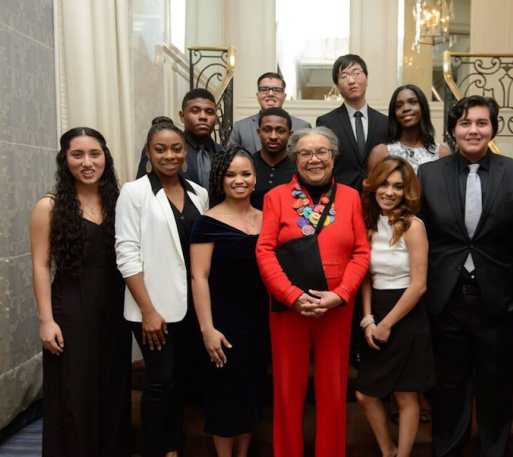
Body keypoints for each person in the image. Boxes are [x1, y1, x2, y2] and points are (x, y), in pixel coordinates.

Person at [418, 95, 513, 457]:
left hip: (499, 302)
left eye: (481, 123)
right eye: (465, 123)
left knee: (496, 389)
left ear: (493, 128)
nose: (473, 130)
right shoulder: (429, 173)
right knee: (449, 388)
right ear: (454, 130)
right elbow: (421, 236)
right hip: (446, 300)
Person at [256, 127, 370, 457]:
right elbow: (264, 251)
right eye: (305, 153)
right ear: (294, 159)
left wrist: (343, 292)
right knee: (288, 391)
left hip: (337, 306)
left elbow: (362, 252)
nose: (314, 159)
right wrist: (290, 295)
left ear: (334, 157)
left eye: (322, 152)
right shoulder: (275, 197)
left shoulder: (351, 196)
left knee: (333, 392)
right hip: (288, 307)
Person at [30, 127, 130, 456]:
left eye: (94, 154)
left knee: (112, 391)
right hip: (71, 309)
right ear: (65, 160)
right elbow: (41, 265)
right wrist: (46, 320)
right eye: (78, 155)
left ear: (105, 158)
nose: (87, 162)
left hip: (115, 308)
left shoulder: (120, 202)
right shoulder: (50, 206)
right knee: (75, 395)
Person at [116, 122, 209, 457]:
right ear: (148, 152)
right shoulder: (133, 192)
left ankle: (173, 447)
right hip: (152, 308)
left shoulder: (199, 193)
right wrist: (148, 311)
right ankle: (156, 449)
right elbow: (126, 255)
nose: (169, 156)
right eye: (160, 149)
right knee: (159, 381)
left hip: (190, 306)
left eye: (176, 149)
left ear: (185, 152)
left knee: (182, 381)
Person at [190, 147, 268, 457]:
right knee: (225, 398)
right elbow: (198, 277)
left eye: (245, 174)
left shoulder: (267, 218)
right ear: (220, 180)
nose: (239, 180)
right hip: (223, 324)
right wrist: (207, 329)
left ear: (255, 178)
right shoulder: (207, 222)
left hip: (260, 324)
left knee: (251, 395)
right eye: (231, 175)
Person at [356, 157, 435, 457]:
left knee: (405, 395)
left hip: (406, 311)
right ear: (373, 185)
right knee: (365, 395)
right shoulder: (366, 223)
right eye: (384, 184)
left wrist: (387, 324)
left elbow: (419, 285)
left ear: (407, 191)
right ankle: (387, 451)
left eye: (398, 186)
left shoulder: (414, 226)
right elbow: (366, 277)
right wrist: (368, 319)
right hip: (376, 307)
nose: (389, 192)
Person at [317, 54, 388, 192]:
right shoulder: (326, 122)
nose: (351, 80)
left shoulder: (385, 122)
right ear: (338, 86)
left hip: (377, 198)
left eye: (356, 73)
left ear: (367, 78)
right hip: (339, 197)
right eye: (344, 76)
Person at [135, 89, 224, 188]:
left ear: (215, 118)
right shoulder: (160, 150)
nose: (203, 116)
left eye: (209, 112)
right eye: (195, 111)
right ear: (182, 116)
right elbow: (141, 189)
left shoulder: (223, 153)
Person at [368, 84, 451, 173]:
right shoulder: (381, 153)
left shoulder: (442, 153)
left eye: (413, 102)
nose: (406, 108)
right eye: (399, 105)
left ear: (423, 107)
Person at [228, 72, 311, 153]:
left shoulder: (303, 127)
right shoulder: (240, 128)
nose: (271, 94)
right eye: (264, 89)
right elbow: (229, 160)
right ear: (258, 95)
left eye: (277, 90)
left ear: (284, 96)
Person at [251, 107, 298, 210]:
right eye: (267, 130)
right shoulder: (248, 164)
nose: (273, 136)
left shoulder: (299, 167)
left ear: (290, 135)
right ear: (259, 133)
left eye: (280, 131)